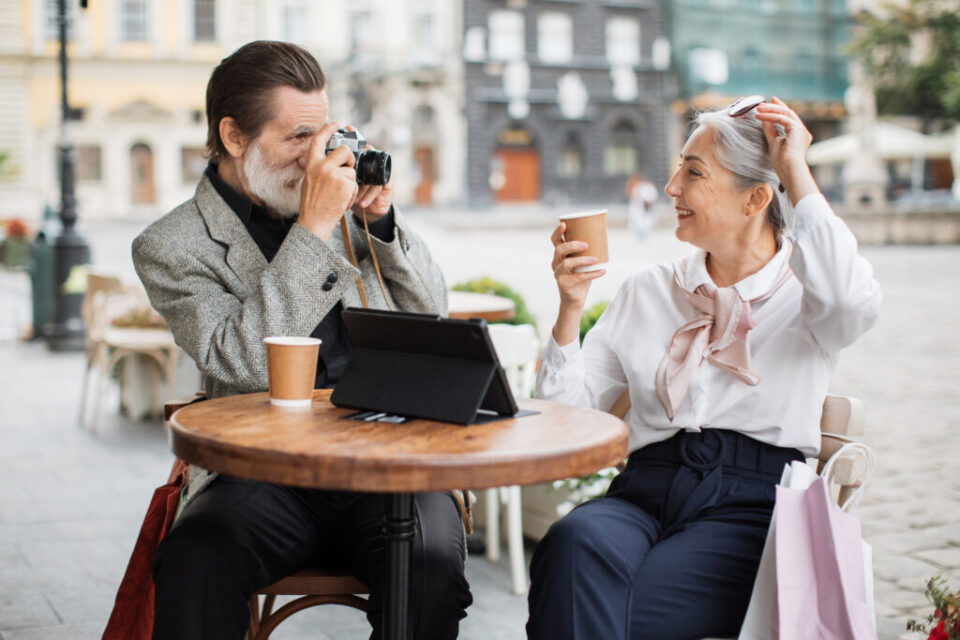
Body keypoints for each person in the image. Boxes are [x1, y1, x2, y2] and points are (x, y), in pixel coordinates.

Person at [131, 41, 471, 640]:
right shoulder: (173, 245)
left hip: (385, 456)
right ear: (234, 137)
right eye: (297, 137)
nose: (319, 155)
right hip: (262, 469)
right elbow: (236, 363)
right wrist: (313, 229)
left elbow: (431, 312)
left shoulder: (345, 203)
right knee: (195, 559)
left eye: (325, 134)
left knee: (431, 566)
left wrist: (383, 226)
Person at [527, 96, 881, 639]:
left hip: (751, 509)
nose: (671, 189)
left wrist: (796, 171)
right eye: (677, 170)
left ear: (756, 197)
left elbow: (853, 300)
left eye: (693, 173)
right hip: (644, 491)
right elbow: (564, 418)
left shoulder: (810, 297)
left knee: (615, 612)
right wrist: (570, 307)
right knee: (570, 544)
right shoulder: (648, 290)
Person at [627, 173, 658, 240]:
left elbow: (649, 201)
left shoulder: (646, 188)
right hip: (637, 223)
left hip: (645, 222)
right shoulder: (637, 189)